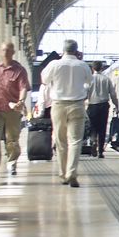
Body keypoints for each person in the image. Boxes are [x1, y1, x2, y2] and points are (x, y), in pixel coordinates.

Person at [40, 40, 92, 187]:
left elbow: (44, 80)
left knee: (60, 141)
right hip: (77, 105)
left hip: (58, 105)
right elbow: (89, 81)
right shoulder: (82, 65)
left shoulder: (54, 64)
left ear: (62, 50)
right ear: (76, 51)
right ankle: (72, 173)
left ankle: (63, 175)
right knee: (75, 141)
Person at [0, 42, 31, 177]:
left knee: (11, 140)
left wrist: (21, 101)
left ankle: (12, 163)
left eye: (8, 50)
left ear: (13, 52)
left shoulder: (19, 70)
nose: (6, 53)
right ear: (0, 51)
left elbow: (23, 88)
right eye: (4, 50)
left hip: (13, 110)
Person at [85, 61, 118, 157]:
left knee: (92, 127)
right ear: (102, 68)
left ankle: (93, 141)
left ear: (92, 69)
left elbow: (84, 93)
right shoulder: (106, 79)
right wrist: (117, 105)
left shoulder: (89, 79)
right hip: (103, 106)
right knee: (102, 128)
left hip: (92, 106)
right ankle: (100, 151)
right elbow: (113, 94)